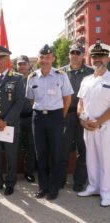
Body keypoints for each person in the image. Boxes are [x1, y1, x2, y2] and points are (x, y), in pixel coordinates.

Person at [26, 44, 73, 200]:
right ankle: (43, 187)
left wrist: (60, 116)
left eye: (48, 57)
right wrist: (42, 111)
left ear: (53, 58)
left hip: (56, 118)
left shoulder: (61, 75)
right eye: (42, 57)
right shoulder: (32, 77)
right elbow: (31, 100)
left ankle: (54, 188)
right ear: (38, 59)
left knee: (56, 154)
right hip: (38, 118)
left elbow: (67, 98)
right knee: (41, 154)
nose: (45, 60)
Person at [0, 46, 25, 196]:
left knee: (11, 156)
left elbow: (19, 102)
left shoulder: (17, 78)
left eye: (2, 57)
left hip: (10, 125)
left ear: (8, 59)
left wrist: (6, 121)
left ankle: (10, 183)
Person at [77, 41, 110, 207]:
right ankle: (93, 186)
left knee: (106, 160)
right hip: (88, 127)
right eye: (94, 56)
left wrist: (98, 121)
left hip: (105, 127)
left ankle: (106, 192)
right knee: (91, 158)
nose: (97, 59)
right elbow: (80, 102)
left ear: (108, 57)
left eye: (101, 56)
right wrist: (82, 120)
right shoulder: (86, 79)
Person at [60, 43, 93, 191]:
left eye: (78, 53)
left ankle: (79, 182)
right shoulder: (61, 73)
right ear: (69, 55)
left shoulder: (91, 72)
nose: (75, 56)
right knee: (63, 149)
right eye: (72, 52)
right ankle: (60, 180)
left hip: (83, 116)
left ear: (83, 55)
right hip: (65, 115)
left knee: (83, 149)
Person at [16, 55, 36, 183]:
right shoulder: (13, 79)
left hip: (31, 117)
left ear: (29, 65)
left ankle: (29, 172)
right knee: (14, 146)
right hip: (15, 118)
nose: (22, 66)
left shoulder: (35, 78)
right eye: (20, 64)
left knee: (31, 146)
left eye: (24, 63)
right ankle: (13, 172)